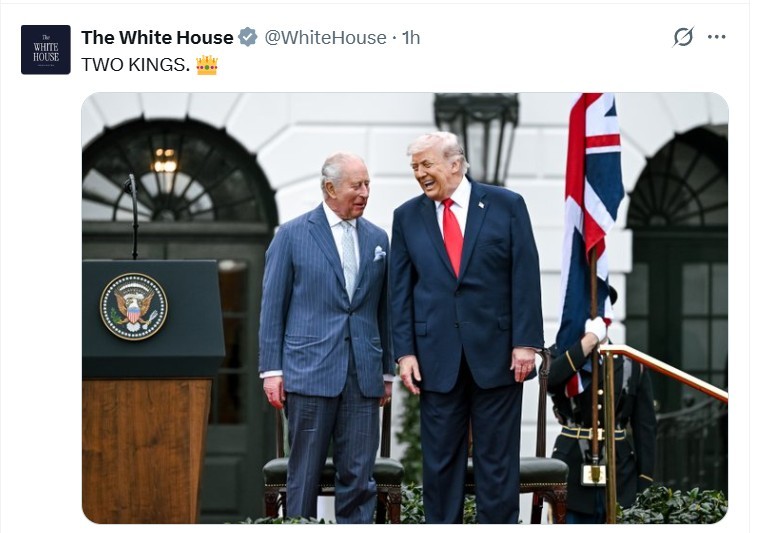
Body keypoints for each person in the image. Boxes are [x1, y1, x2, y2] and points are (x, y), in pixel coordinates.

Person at [390, 131, 544, 523]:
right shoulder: (406, 217)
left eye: (427, 164)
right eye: (415, 167)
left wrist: (526, 343)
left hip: (499, 356)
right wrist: (404, 352)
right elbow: (399, 291)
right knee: (440, 464)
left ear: (455, 163)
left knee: (497, 463)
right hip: (435, 359)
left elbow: (525, 275)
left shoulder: (506, 205)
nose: (419, 173)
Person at [258, 152, 393, 523]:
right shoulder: (291, 235)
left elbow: (384, 310)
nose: (365, 193)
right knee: (303, 476)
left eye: (367, 184)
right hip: (308, 374)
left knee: (359, 478)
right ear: (330, 188)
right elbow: (273, 307)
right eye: (357, 185)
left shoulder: (378, 238)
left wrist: (386, 372)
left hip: (363, 377)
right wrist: (272, 371)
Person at [547, 289, 657, 524]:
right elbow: (549, 380)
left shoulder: (630, 362)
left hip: (620, 475)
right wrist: (587, 342)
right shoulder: (560, 355)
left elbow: (645, 427)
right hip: (571, 473)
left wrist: (644, 479)